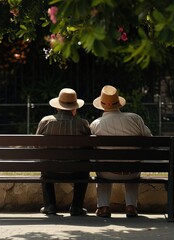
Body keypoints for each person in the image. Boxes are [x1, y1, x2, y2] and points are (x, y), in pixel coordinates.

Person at [90, 85, 152, 218]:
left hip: (108, 173)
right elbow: (150, 140)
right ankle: (131, 206)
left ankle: (103, 207)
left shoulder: (96, 124)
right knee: (133, 165)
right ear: (118, 103)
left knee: (101, 167)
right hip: (132, 171)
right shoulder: (135, 118)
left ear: (101, 104)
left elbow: (90, 149)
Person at [36, 88, 91, 216]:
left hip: (50, 171)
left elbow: (36, 144)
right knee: (84, 168)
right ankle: (77, 207)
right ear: (74, 108)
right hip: (76, 172)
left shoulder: (46, 121)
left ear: (57, 107)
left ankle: (50, 206)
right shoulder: (82, 124)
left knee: (45, 168)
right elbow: (89, 148)